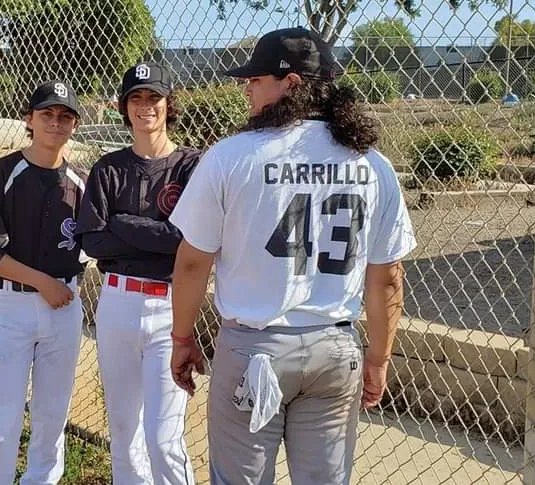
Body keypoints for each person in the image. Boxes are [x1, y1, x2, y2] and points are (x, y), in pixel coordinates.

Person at [167, 27, 417, 485]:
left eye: (256, 79)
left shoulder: (232, 155)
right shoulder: (372, 165)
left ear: (291, 83)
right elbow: (387, 279)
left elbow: (191, 263)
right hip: (334, 349)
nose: (247, 88)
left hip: (255, 346)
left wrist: (182, 338)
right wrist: (378, 358)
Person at [76, 62, 198, 485]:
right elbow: (92, 241)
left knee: (163, 435)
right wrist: (159, 237)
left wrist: (123, 223)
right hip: (117, 301)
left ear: (168, 104)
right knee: (124, 431)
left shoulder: (190, 166)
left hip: (171, 305)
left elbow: (189, 239)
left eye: (153, 98)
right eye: (136, 98)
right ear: (124, 107)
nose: (145, 107)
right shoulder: (108, 168)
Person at [0, 80, 88, 484]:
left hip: (65, 308)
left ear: (73, 125)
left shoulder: (81, 180)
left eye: (65, 115)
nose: (56, 122)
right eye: (47, 114)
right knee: (2, 425)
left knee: (52, 420)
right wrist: (41, 281)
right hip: (13, 308)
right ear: (29, 120)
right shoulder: (4, 172)